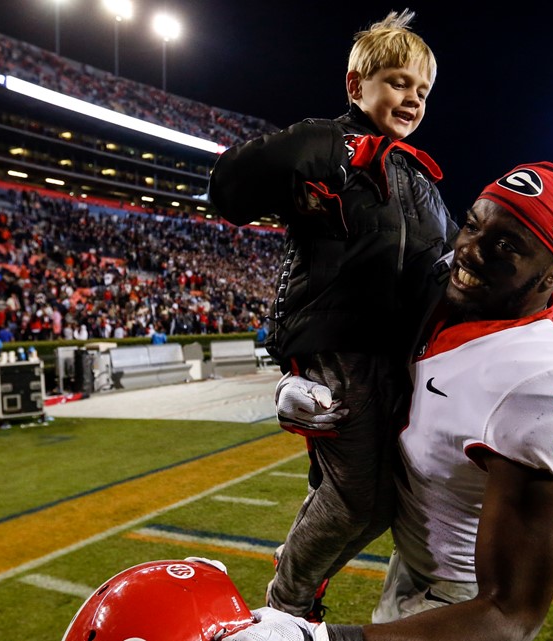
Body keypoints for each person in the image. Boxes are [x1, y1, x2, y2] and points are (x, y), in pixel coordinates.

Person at [226, 162, 553, 641]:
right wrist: (296, 385)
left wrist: (326, 639)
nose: (469, 251)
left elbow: (510, 613)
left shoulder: (551, 377)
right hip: (410, 552)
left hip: (462, 599)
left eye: (506, 246)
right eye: (473, 225)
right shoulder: (439, 287)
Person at [208, 9, 454, 622]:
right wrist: (305, 159)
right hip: (338, 347)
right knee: (355, 499)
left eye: (421, 90)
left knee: (379, 502)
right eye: (398, 81)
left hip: (394, 352)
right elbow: (229, 187)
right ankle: (286, 608)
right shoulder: (331, 144)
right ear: (356, 86)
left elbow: (446, 262)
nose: (412, 99)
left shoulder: (417, 174)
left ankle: (299, 589)